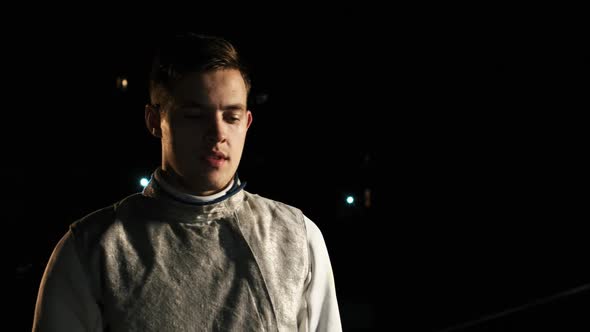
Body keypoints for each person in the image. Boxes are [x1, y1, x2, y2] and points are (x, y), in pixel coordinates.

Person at [32, 33, 342, 331]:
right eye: (195, 115)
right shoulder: (92, 248)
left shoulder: (297, 238)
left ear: (246, 123)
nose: (217, 133)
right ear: (155, 120)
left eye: (231, 117)